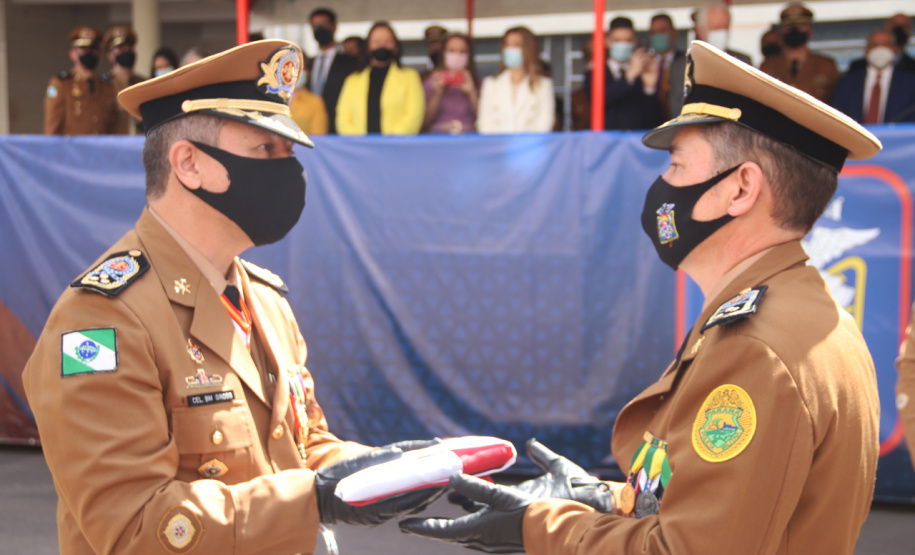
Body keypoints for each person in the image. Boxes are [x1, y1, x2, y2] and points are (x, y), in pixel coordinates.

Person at [400, 40, 882, 555]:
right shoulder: (788, 312)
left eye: (676, 165)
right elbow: (722, 510)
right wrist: (604, 498)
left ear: (741, 189)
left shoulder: (757, 348)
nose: (662, 186)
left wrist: (541, 526)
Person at [23, 39, 443, 555]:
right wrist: (316, 500)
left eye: (287, 151)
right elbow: (133, 526)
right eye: (264, 150)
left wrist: (391, 472)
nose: (286, 170)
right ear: (188, 164)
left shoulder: (263, 299)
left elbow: (303, 446)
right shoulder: (100, 320)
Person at [336, 21, 424, 135]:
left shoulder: (410, 77)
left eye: (387, 41)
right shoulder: (352, 80)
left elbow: (414, 114)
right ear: (368, 46)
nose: (382, 45)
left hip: (396, 147)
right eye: (376, 41)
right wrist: (359, 142)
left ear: (395, 45)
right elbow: (343, 118)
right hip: (359, 148)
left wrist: (389, 141)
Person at [583, 16, 663, 131]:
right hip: (606, 142)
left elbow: (653, 120)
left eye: (628, 40)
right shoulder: (595, 71)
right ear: (607, 42)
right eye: (617, 40)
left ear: (635, 42)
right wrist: (628, 77)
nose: (623, 45)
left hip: (636, 143)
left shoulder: (642, 71)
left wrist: (649, 88)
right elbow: (598, 101)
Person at [477, 26, 555, 134]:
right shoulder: (491, 84)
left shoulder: (543, 85)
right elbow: (484, 124)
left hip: (530, 148)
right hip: (498, 148)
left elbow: (544, 124)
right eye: (507, 44)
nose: (510, 49)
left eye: (516, 45)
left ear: (528, 48)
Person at [44, 26, 119, 135]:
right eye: (83, 48)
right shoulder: (61, 84)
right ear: (72, 54)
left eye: (93, 49)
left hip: (102, 151)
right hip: (72, 152)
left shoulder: (108, 88)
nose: (89, 52)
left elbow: (115, 128)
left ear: (100, 54)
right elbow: (52, 129)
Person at [759, 2, 839, 103]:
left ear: (810, 31)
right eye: (789, 25)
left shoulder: (827, 66)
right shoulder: (767, 66)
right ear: (782, 30)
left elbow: (839, 102)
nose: (794, 29)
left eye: (800, 25)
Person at [831, 29, 915, 124]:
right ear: (866, 50)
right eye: (874, 45)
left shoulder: (911, 83)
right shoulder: (847, 82)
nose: (880, 49)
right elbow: (837, 117)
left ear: (895, 49)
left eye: (886, 45)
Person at [309, 7, 359, 134]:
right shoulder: (308, 63)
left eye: (323, 25)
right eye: (315, 26)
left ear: (334, 26)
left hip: (339, 129)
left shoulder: (350, 62)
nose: (319, 29)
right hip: (312, 130)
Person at [422, 32, 479, 134]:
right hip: (438, 142)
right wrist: (437, 94)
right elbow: (423, 123)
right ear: (443, 54)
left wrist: (471, 93)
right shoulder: (431, 82)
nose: (456, 55)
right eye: (451, 51)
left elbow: (488, 121)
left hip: (469, 142)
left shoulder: (479, 84)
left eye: (462, 51)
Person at [101, 25, 145, 134]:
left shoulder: (143, 82)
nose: (126, 50)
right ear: (111, 55)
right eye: (120, 47)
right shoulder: (104, 85)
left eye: (129, 46)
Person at [648, 13, 687, 119]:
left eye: (662, 31)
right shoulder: (645, 64)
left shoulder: (687, 62)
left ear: (674, 33)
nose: (658, 36)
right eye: (653, 32)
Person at [290, 59, 329, 135]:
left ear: (307, 72)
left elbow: (318, 137)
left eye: (301, 68)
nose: (296, 73)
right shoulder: (273, 100)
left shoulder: (315, 102)